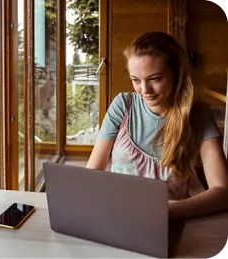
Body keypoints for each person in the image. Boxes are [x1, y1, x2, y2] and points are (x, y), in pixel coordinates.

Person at [87, 31, 228, 219]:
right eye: (136, 80)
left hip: (172, 222)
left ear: (177, 73)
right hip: (119, 217)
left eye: (155, 79)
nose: (145, 91)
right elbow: (92, 174)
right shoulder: (123, 105)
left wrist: (164, 212)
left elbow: (222, 191)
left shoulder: (199, 115)